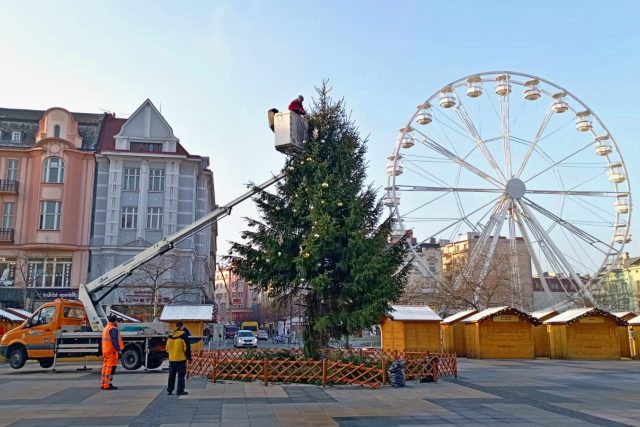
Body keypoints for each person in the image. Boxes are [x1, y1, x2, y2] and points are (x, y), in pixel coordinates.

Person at [166, 321, 192, 395]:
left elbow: (167, 348)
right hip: (181, 359)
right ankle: (180, 390)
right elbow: (187, 348)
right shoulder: (184, 335)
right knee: (181, 375)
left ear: (176, 326)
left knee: (171, 375)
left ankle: (170, 390)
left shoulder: (170, 336)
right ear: (182, 326)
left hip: (172, 359)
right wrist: (189, 358)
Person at [101, 314, 123, 390]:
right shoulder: (113, 329)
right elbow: (114, 341)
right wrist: (118, 349)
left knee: (105, 367)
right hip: (111, 351)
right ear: (114, 321)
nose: (117, 322)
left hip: (106, 350)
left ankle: (103, 383)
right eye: (116, 321)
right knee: (110, 368)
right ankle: (107, 385)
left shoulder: (106, 328)